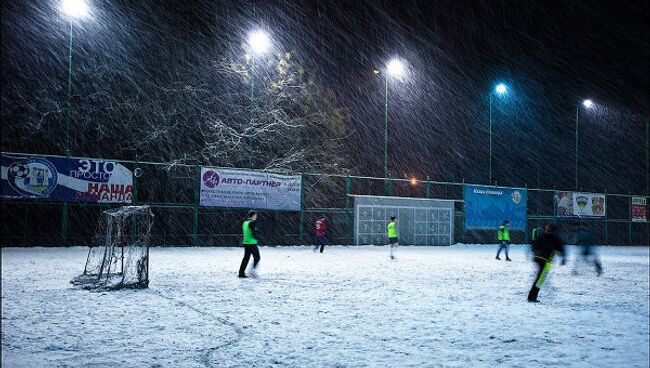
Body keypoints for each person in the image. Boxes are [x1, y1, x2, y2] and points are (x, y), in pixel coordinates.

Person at [528, 223, 566, 302]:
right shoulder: (556, 238)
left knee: (539, 278)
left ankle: (532, 296)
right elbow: (561, 250)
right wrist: (563, 258)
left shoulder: (542, 236)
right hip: (546, 260)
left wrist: (537, 252)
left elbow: (535, 246)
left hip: (537, 258)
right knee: (540, 280)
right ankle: (532, 297)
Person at [238, 210, 261, 278]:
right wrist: (258, 237)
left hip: (246, 242)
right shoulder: (252, 223)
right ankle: (252, 272)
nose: (256, 217)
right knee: (257, 257)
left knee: (246, 258)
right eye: (256, 215)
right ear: (253, 216)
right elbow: (254, 233)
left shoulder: (245, 223)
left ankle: (241, 273)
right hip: (252, 243)